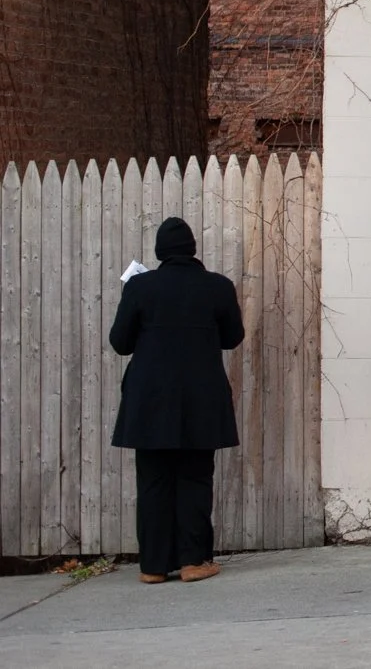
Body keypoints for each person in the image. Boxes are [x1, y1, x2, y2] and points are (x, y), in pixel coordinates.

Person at [108, 217, 245, 584]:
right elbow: (233, 337)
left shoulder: (140, 286)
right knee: (195, 478)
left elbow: (120, 343)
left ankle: (153, 565)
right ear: (192, 249)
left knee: (153, 480)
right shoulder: (217, 287)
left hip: (149, 399)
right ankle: (193, 561)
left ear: (159, 253)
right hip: (200, 396)